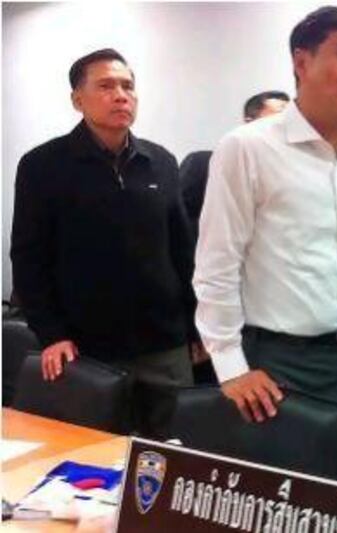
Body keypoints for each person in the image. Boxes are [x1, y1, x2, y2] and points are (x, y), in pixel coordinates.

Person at [193, 6, 337, 483]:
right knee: (287, 497)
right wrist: (231, 366)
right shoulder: (247, 148)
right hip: (284, 362)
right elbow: (217, 265)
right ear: (301, 62)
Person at [10, 48, 199, 438]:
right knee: (90, 461)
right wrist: (52, 334)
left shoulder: (160, 161)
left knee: (167, 456)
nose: (121, 95)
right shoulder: (43, 165)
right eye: (106, 86)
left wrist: (197, 327)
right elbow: (29, 258)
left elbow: (183, 252)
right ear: (77, 99)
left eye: (128, 86)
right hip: (86, 348)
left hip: (164, 345)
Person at [179, 90, 290, 243]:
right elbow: (179, 225)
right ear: (249, 123)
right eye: (276, 120)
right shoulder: (203, 165)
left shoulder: (296, 173)